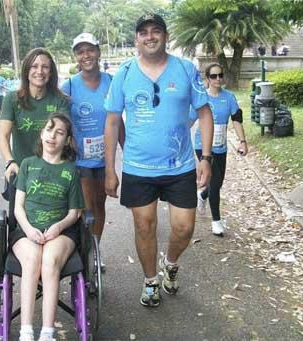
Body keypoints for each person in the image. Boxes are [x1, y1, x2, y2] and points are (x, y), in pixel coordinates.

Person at [104, 13, 213, 307]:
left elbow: (204, 113)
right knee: (144, 226)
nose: (150, 36)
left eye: (156, 31)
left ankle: (171, 261)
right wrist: (110, 169)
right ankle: (151, 279)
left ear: (165, 36)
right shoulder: (124, 73)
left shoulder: (186, 69)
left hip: (180, 166)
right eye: (143, 32)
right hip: (139, 168)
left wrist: (206, 157)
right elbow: (113, 122)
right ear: (137, 38)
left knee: (184, 228)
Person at [12, 114, 84, 341]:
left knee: (49, 260)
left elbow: (75, 213)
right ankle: (26, 332)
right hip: (27, 229)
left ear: (67, 140)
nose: (52, 136)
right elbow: (18, 208)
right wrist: (29, 229)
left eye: (60, 132)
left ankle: (47, 333)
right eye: (49, 130)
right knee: (33, 259)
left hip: (61, 231)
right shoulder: (27, 164)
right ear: (41, 134)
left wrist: (58, 227)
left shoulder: (71, 170)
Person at [60, 33, 124, 270]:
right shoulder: (68, 86)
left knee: (99, 206)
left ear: (98, 51)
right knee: (86, 208)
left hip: (105, 158)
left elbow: (119, 121)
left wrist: (128, 153)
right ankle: (84, 252)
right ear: (76, 57)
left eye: (90, 50)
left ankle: (95, 249)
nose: (85, 55)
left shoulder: (112, 82)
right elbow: (60, 119)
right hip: (80, 160)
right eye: (80, 51)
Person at [191, 63, 248, 236]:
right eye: (214, 76)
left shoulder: (229, 97)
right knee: (215, 183)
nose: (218, 79)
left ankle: (203, 195)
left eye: (220, 75)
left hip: (221, 147)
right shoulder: (201, 98)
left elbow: (236, 120)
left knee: (217, 182)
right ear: (207, 78)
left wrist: (242, 141)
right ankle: (216, 221)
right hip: (202, 146)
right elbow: (189, 121)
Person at [0, 48, 69, 180]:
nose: (39, 71)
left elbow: (63, 135)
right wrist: (10, 162)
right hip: (20, 172)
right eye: (34, 66)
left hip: (52, 174)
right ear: (26, 70)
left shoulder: (60, 101)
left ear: (51, 72)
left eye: (45, 67)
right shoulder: (12, 99)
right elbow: (3, 136)